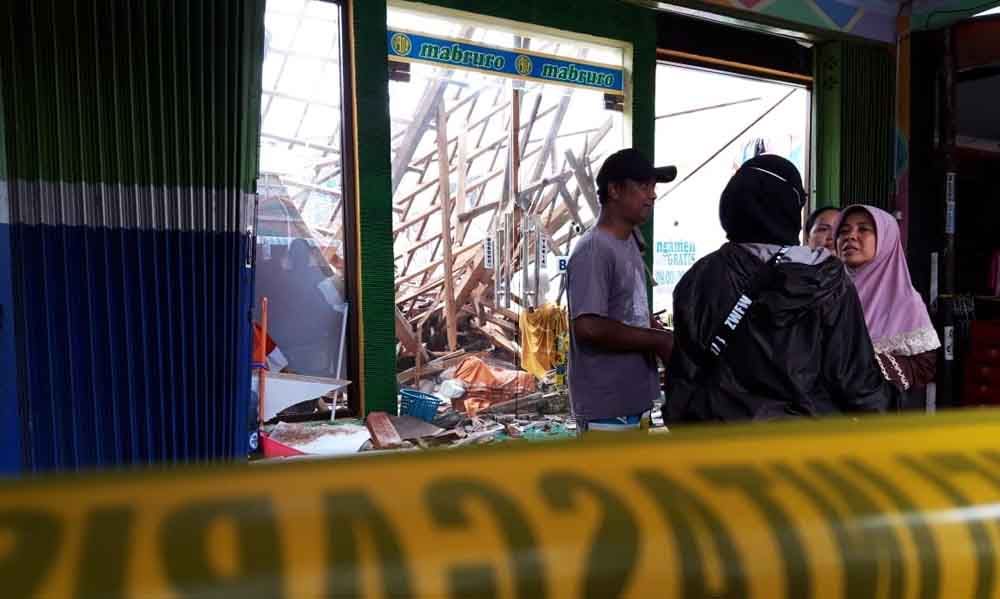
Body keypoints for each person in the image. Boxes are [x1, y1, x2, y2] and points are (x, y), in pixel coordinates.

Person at [665, 155, 892, 422]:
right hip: (799, 447)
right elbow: (855, 381)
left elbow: (683, 375)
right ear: (789, 209)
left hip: (716, 443)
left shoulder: (698, 279)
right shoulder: (826, 278)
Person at [567, 148, 677, 434]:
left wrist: (653, 329)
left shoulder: (629, 242)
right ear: (615, 190)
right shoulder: (594, 250)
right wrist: (657, 340)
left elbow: (624, 314)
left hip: (632, 401)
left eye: (653, 187)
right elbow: (588, 326)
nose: (652, 195)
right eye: (643, 186)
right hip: (606, 407)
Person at [836, 205, 940, 404]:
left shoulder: (905, 300)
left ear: (886, 239)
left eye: (863, 229)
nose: (850, 236)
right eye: (843, 231)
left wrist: (864, 365)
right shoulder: (828, 291)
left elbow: (923, 367)